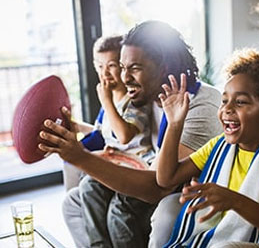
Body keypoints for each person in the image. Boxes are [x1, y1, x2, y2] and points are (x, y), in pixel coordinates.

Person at [38, 21, 222, 248]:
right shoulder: (147, 98)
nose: (125, 78)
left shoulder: (200, 106)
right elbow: (111, 134)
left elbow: (158, 186)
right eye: (122, 67)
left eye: (135, 68)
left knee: (121, 211)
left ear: (163, 67)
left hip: (185, 194)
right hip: (153, 174)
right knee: (75, 201)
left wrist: (80, 157)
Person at [152, 49, 259, 247]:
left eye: (240, 102)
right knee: (168, 206)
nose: (227, 109)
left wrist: (235, 201)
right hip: (223, 236)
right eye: (224, 100)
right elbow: (166, 178)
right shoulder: (220, 146)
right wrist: (175, 124)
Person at [63, 35, 157, 248]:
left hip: (137, 168)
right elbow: (104, 132)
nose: (104, 73)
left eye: (112, 66)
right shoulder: (112, 101)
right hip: (116, 163)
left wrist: (105, 101)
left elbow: (124, 134)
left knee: (118, 212)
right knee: (87, 186)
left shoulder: (135, 100)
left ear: (123, 67)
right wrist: (74, 125)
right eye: (99, 66)